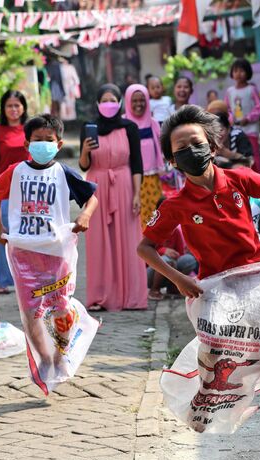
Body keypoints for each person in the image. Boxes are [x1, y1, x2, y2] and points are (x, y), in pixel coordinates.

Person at [137, 105, 260, 297]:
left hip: (259, 277)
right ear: (172, 161)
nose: (191, 150)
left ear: (212, 148)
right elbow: (144, 248)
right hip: (214, 289)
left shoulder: (241, 178)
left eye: (197, 143)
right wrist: (178, 278)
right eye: (182, 148)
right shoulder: (175, 205)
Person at [0, 115, 98, 384]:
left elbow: (92, 196)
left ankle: (61, 353)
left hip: (56, 252)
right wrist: (0, 228)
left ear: (58, 144)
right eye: (37, 140)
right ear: (27, 143)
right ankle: (45, 359)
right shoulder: (15, 172)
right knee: (31, 312)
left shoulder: (63, 173)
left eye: (48, 140)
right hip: (23, 252)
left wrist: (85, 216)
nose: (42, 145)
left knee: (60, 307)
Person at [77, 84, 147, 312]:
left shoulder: (130, 127)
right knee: (98, 241)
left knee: (128, 240)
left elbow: (137, 163)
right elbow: (84, 165)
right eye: (104, 99)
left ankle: (132, 297)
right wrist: (86, 151)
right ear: (97, 103)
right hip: (97, 187)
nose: (108, 103)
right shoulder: (89, 128)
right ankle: (100, 296)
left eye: (112, 99)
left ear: (119, 103)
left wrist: (137, 193)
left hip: (124, 184)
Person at [0, 90, 30, 294]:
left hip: (29, 189)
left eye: (17, 105)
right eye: (9, 106)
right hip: (4, 191)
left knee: (29, 232)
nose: (13, 109)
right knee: (3, 232)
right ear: (3, 109)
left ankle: (28, 276)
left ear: (23, 107)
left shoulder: (31, 129)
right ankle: (3, 281)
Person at [125, 84, 166, 225]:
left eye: (142, 100)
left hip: (153, 178)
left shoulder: (153, 123)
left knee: (155, 213)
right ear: (128, 102)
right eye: (134, 101)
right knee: (136, 214)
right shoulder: (124, 123)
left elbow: (161, 147)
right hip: (131, 179)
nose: (139, 104)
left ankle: (155, 245)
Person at [225, 59, 260, 174]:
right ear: (232, 73)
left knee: (253, 154)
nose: (238, 74)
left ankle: (257, 177)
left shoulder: (251, 89)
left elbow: (258, 108)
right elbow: (227, 109)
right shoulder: (229, 91)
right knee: (239, 155)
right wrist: (231, 119)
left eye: (242, 71)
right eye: (236, 71)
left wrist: (248, 118)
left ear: (248, 73)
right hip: (236, 130)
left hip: (250, 129)